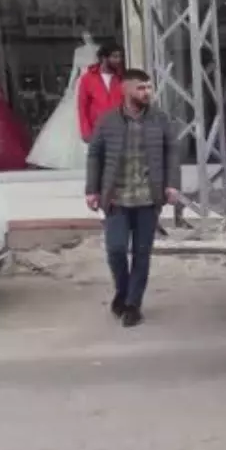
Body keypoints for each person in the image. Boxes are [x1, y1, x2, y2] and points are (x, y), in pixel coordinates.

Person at [85, 69, 181, 328]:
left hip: (149, 199)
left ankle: (133, 304)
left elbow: (172, 152)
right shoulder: (107, 121)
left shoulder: (160, 119)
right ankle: (123, 291)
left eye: (149, 87)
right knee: (116, 250)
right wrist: (92, 189)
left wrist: (172, 185)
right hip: (116, 198)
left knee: (141, 253)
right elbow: (95, 154)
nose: (147, 92)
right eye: (141, 88)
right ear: (125, 90)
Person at [77, 42, 125, 142]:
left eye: (120, 57)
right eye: (115, 57)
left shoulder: (122, 79)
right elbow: (82, 107)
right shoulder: (88, 79)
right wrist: (86, 132)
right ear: (104, 58)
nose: (119, 60)